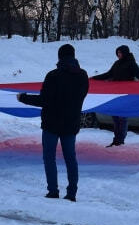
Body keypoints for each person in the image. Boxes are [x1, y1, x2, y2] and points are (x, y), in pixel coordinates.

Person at [16, 43, 89, 201]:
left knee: (49, 157)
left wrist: (23, 98)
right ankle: (71, 193)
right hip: (71, 123)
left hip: (51, 123)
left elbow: (44, 100)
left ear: (59, 57)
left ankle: (53, 191)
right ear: (74, 56)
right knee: (70, 158)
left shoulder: (53, 76)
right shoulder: (83, 76)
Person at [92, 44, 139, 146]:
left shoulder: (131, 63)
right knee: (115, 117)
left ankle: (120, 141)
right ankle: (116, 140)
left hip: (125, 95)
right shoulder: (117, 63)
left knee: (122, 118)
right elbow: (108, 74)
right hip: (115, 94)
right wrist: (94, 78)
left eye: (120, 53)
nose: (118, 55)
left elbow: (138, 73)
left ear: (125, 53)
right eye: (117, 53)